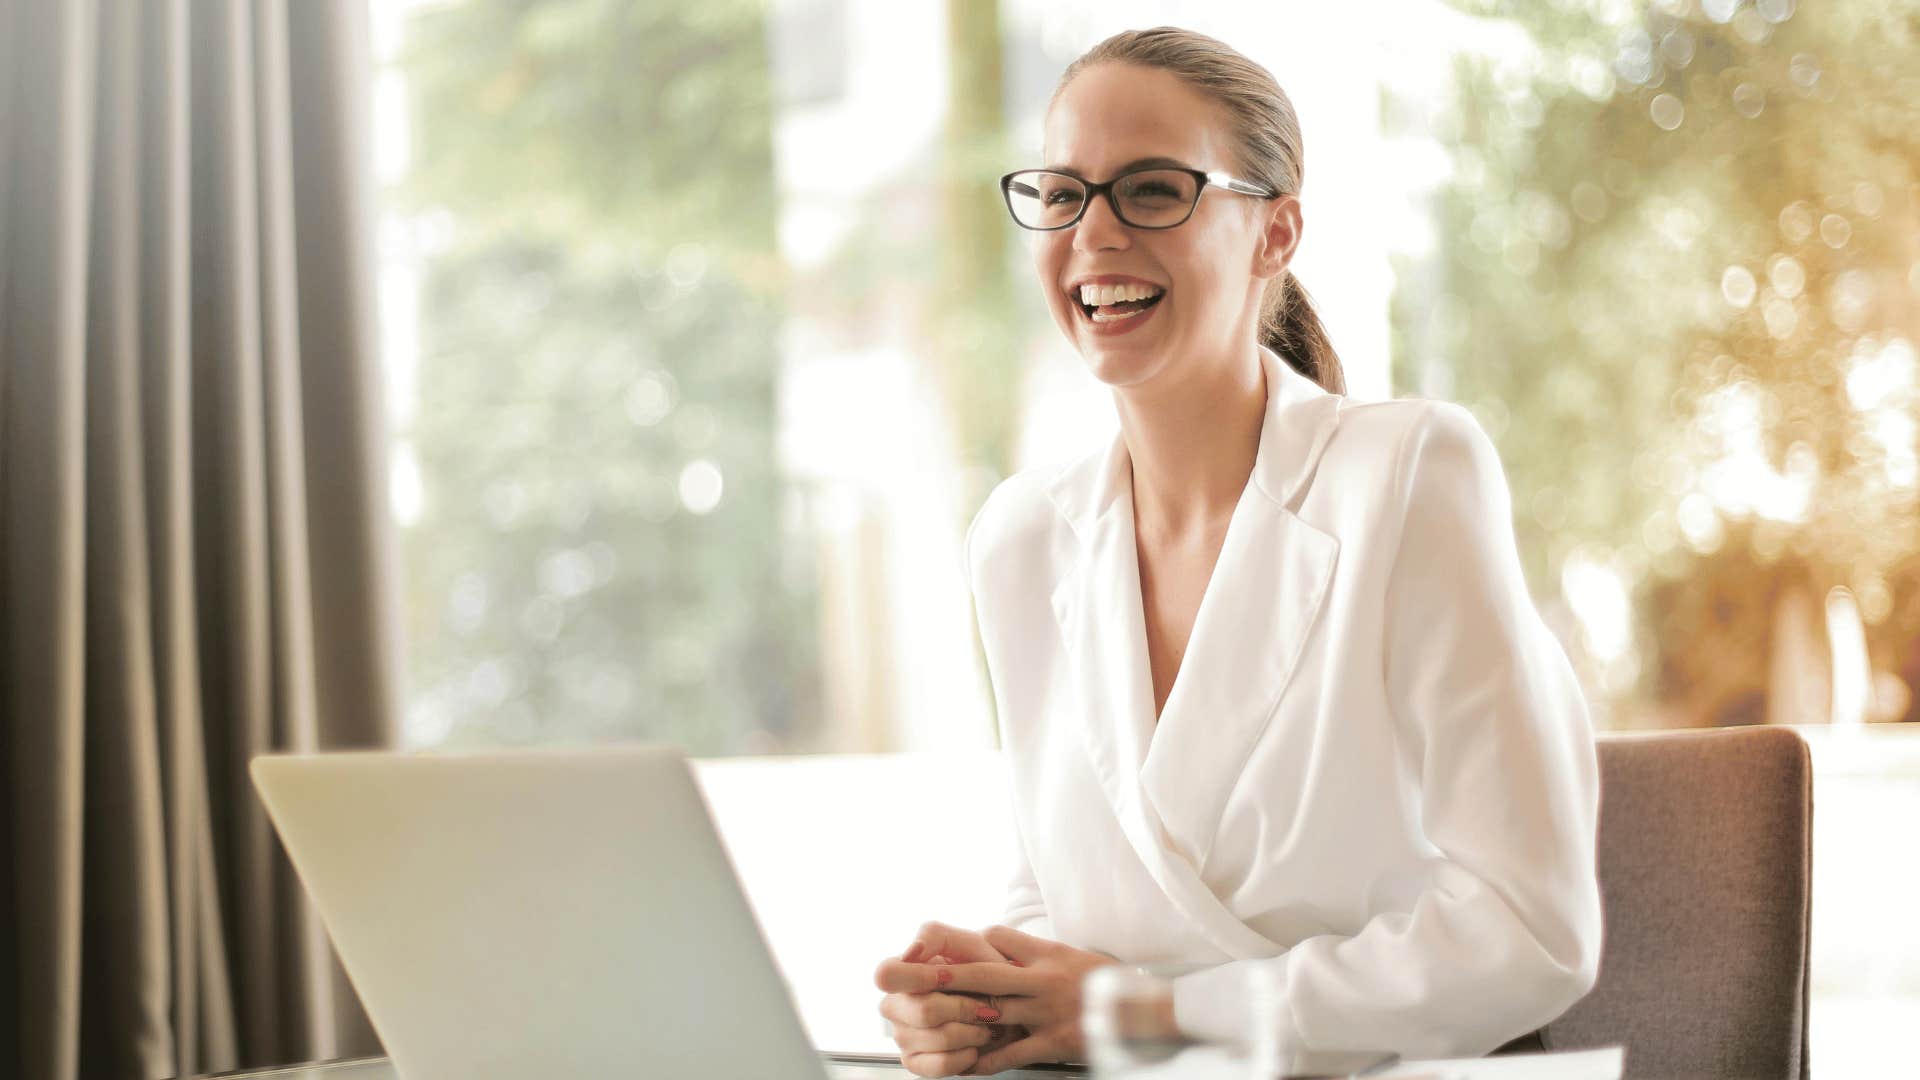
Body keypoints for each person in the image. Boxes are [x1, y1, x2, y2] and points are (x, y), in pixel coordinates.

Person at [871, 26, 1601, 1078]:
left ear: (1276, 233)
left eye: (1153, 190)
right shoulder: (1021, 542)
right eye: (1064, 193)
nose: (1095, 233)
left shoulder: (1405, 478)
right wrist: (983, 1000)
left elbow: (1531, 931)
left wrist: (1156, 1012)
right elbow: (1062, 886)